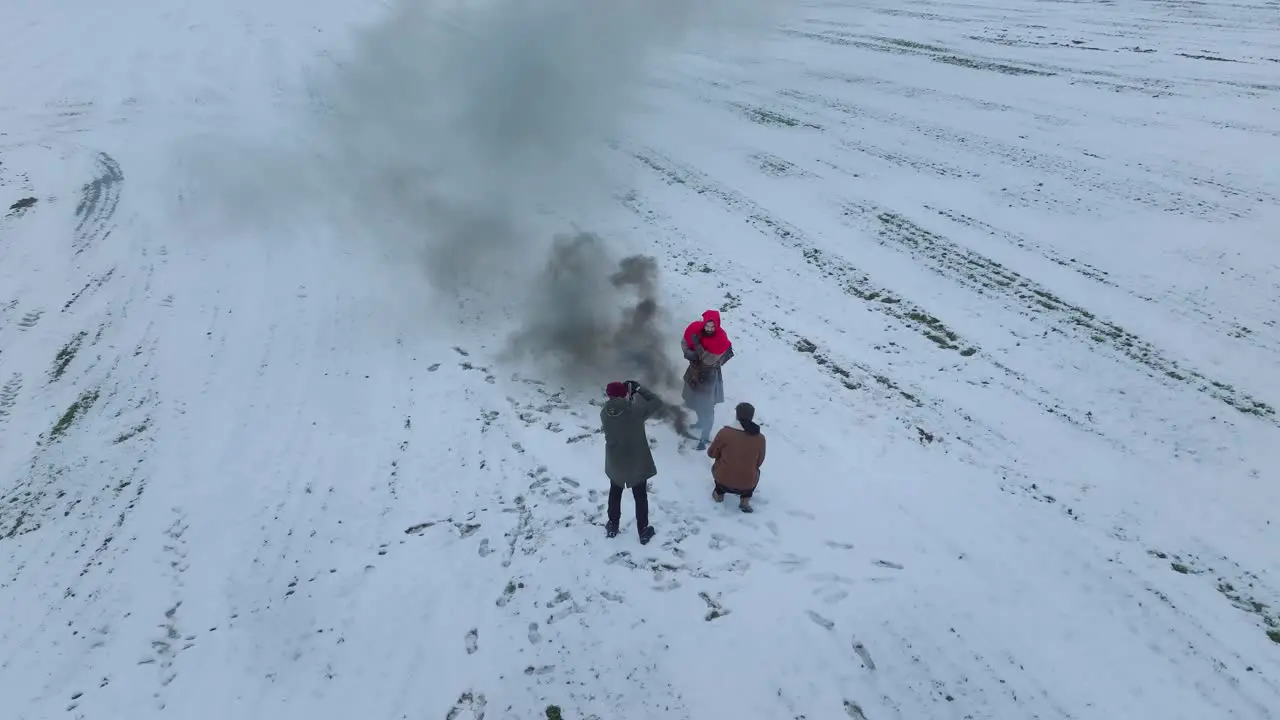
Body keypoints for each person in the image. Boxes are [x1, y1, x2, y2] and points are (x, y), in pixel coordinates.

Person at [601, 380, 660, 544]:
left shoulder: (604, 413)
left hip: (616, 461)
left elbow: (619, 414)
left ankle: (613, 526)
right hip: (637, 461)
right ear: (624, 394)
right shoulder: (635, 411)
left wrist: (628, 399)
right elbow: (656, 402)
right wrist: (640, 389)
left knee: (615, 493)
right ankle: (643, 531)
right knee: (640, 497)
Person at [681, 309, 734, 449]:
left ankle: (705, 437)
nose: (709, 329)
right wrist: (687, 352)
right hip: (694, 372)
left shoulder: (720, 339)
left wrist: (697, 347)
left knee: (707, 406)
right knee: (694, 399)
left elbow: (709, 360)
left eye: (712, 327)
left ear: (717, 325)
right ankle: (700, 421)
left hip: (709, 376)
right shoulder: (696, 329)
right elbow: (685, 341)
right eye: (707, 326)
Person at [706, 402, 766, 513]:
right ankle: (745, 501)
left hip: (723, 479)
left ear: (736, 415)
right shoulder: (760, 438)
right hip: (747, 484)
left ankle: (719, 494)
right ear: (752, 416)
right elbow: (759, 462)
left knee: (718, 467)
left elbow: (711, 453)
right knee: (755, 471)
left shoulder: (725, 433)